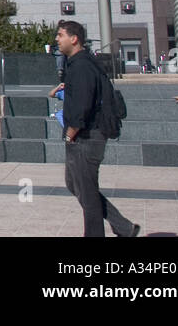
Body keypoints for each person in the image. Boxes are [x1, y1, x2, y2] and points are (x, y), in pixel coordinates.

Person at [56, 20, 140, 238]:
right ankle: (124, 227)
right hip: (86, 135)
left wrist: (70, 133)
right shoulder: (78, 63)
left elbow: (83, 104)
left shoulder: (82, 65)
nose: (57, 39)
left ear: (74, 39)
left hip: (87, 136)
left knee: (87, 191)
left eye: (60, 35)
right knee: (76, 185)